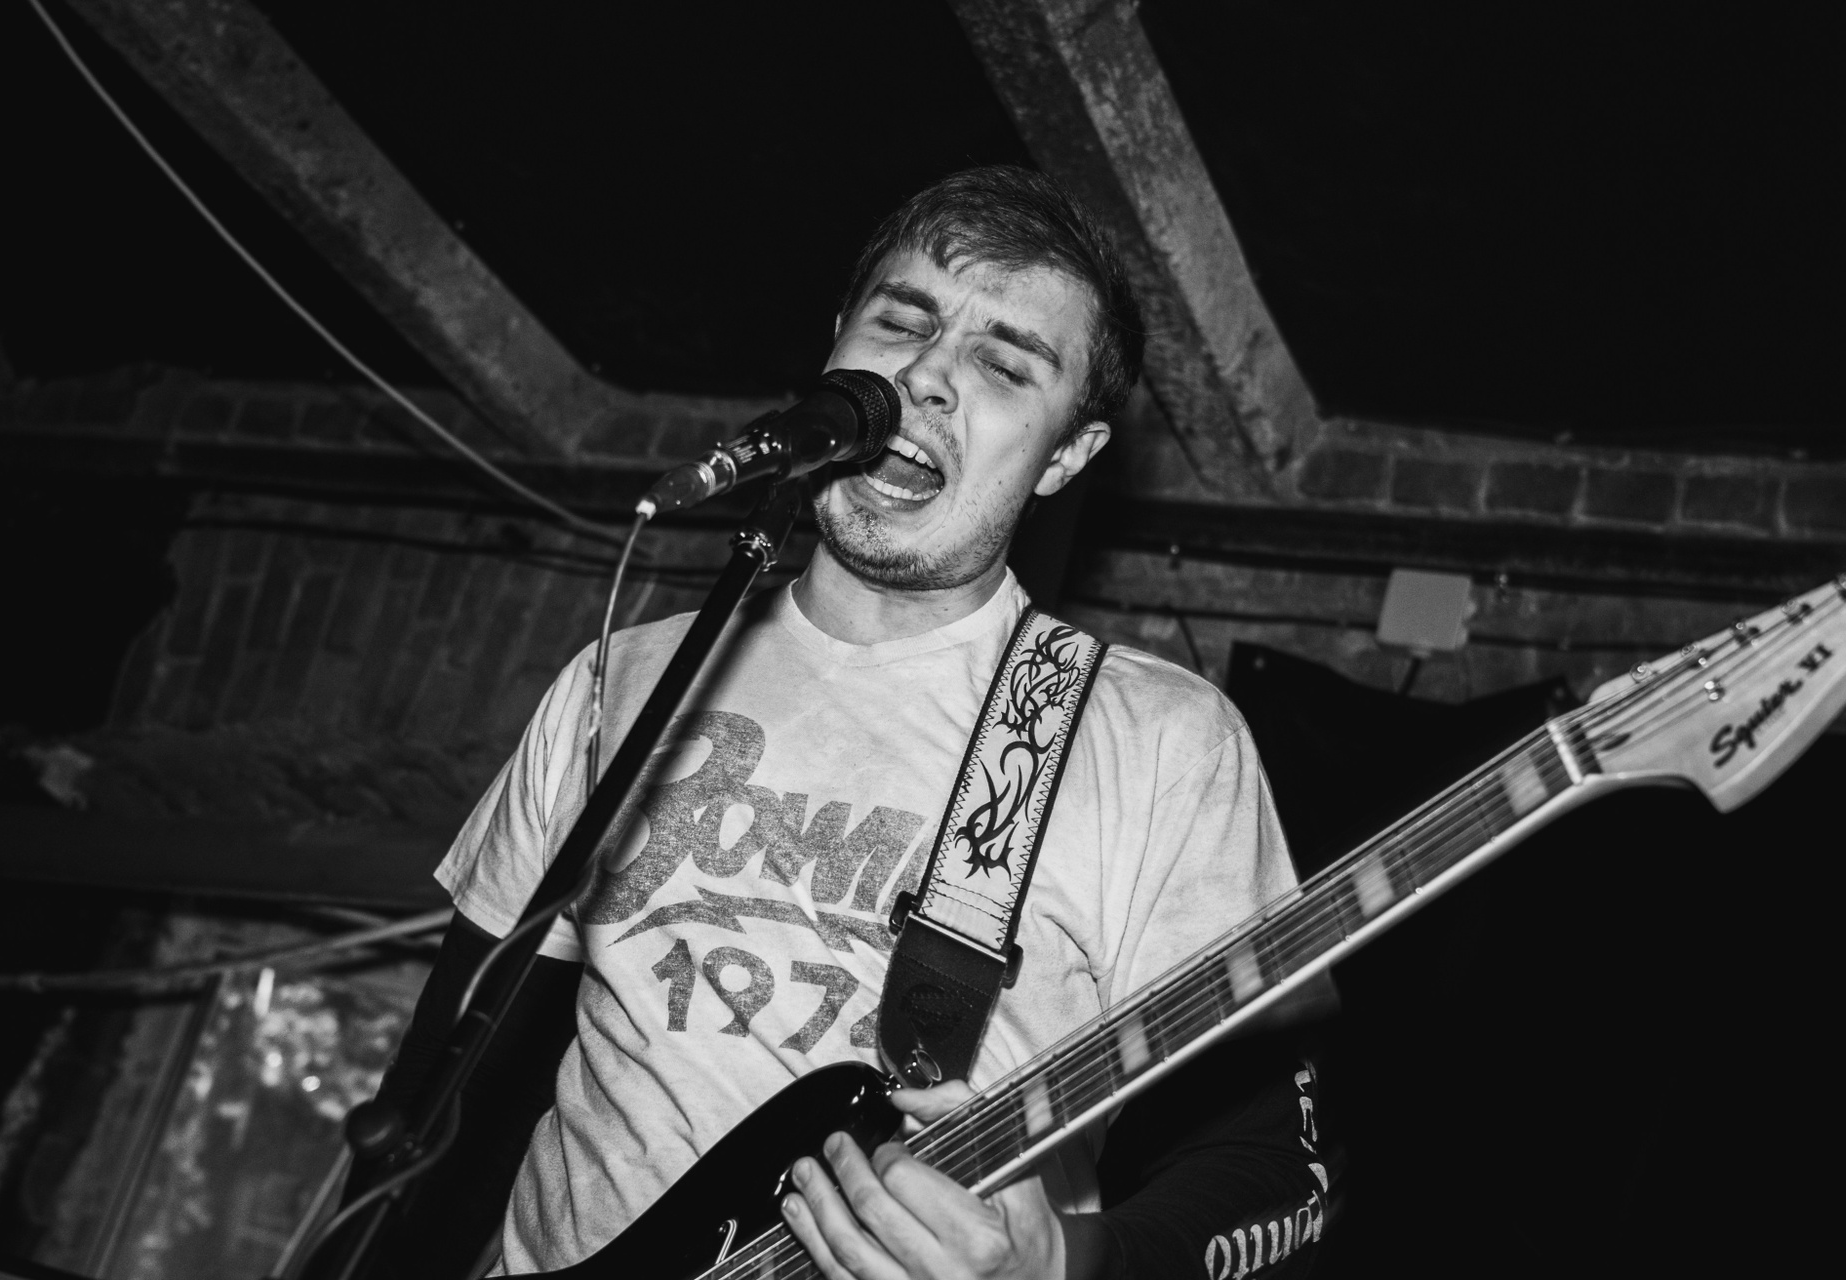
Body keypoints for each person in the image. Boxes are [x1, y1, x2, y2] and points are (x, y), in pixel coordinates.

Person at [357, 166, 1330, 1280]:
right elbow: (444, 1101)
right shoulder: (621, 681)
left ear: (1067, 454)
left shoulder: (1160, 742)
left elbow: (1278, 1177)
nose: (927, 376)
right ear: (835, 350)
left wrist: (1060, 1265)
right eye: (902, 324)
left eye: (1005, 364)